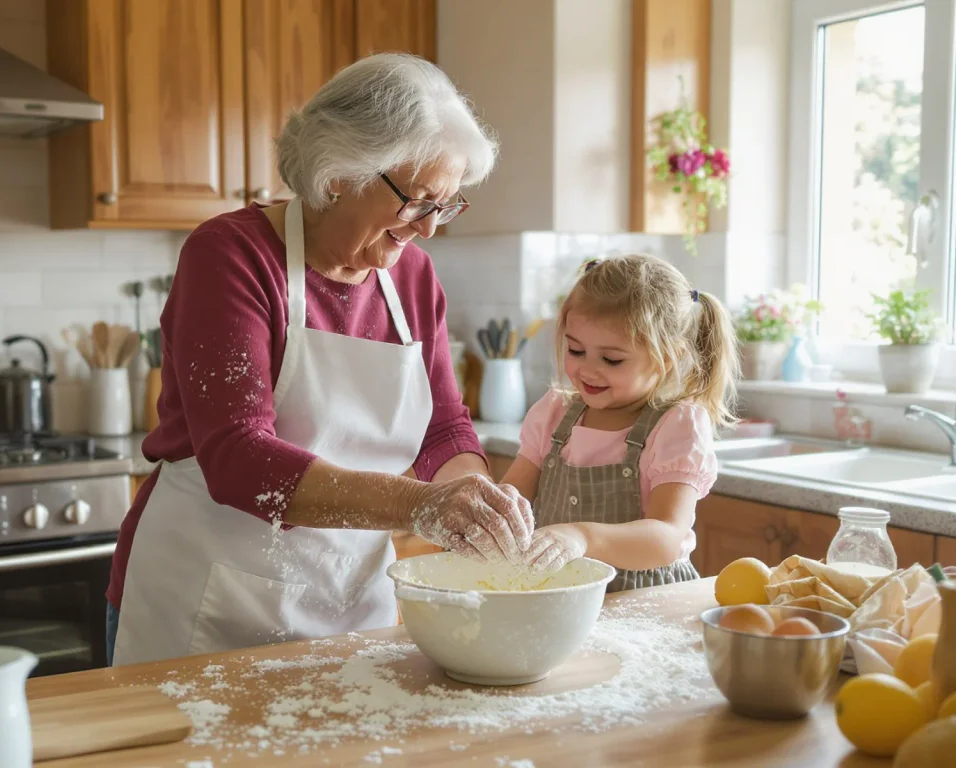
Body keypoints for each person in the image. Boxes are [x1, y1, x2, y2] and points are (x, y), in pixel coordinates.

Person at [107, 53, 535, 666]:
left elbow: (442, 428)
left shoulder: (413, 277)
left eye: (445, 205)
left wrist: (477, 506)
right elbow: (237, 457)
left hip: (350, 602)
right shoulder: (230, 255)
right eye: (418, 202)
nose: (429, 228)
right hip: (205, 602)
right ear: (339, 174)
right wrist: (422, 506)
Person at [503, 254, 739, 590]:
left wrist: (583, 536)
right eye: (576, 351)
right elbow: (512, 501)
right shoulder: (553, 413)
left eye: (612, 359)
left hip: (643, 601)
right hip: (557, 595)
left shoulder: (675, 427)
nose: (588, 370)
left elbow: (667, 538)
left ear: (666, 359)